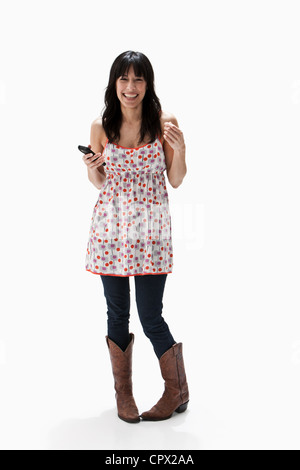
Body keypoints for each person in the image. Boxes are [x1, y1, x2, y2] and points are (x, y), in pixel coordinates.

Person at [82, 51, 189, 423]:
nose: (131, 88)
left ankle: (176, 389)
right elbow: (100, 183)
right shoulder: (101, 126)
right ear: (115, 84)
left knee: (150, 315)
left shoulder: (164, 123)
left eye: (138, 79)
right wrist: (93, 168)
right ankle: (123, 395)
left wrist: (182, 150)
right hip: (111, 232)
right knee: (117, 313)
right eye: (124, 80)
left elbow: (175, 179)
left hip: (152, 234)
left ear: (148, 84)